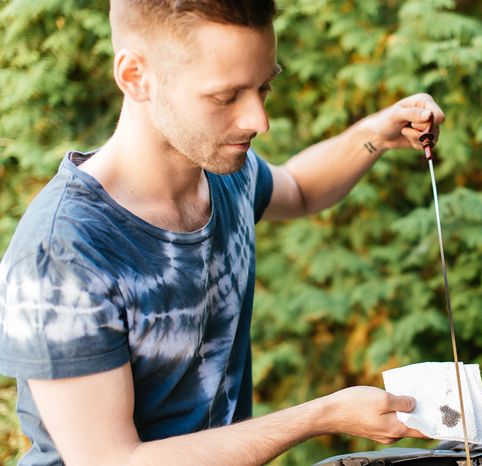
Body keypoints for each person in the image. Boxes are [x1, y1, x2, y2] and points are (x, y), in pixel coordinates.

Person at [0, 0, 444, 464]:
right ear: (135, 76)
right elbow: (113, 461)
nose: (258, 120)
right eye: (226, 96)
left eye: (264, 87)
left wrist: (376, 134)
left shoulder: (223, 167)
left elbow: (299, 188)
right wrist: (322, 415)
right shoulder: (62, 253)